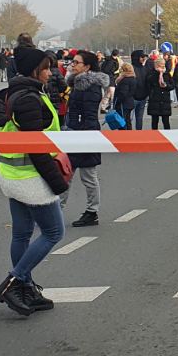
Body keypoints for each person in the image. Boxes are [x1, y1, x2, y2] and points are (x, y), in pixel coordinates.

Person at [0, 46, 70, 317]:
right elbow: (36, 148)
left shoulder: (14, 93)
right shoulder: (28, 99)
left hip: (12, 175)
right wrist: (58, 183)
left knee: (22, 234)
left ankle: (26, 290)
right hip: (31, 178)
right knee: (54, 232)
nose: (50, 72)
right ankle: (13, 283)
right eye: (46, 68)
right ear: (35, 70)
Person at [65, 51, 109, 227]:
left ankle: (92, 212)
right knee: (66, 174)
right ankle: (56, 210)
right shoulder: (77, 84)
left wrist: (84, 137)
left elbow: (89, 115)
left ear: (87, 66)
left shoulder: (90, 87)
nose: (73, 65)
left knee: (88, 176)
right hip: (75, 134)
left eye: (77, 62)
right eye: (73, 61)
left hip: (85, 135)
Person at [144, 53, 175, 130]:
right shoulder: (152, 73)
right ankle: (154, 135)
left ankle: (168, 135)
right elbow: (148, 83)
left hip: (165, 100)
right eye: (160, 65)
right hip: (155, 99)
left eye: (163, 65)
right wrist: (157, 73)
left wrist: (166, 86)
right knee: (154, 121)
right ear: (156, 65)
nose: (162, 66)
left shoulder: (167, 74)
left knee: (166, 121)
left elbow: (172, 85)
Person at [111, 61, 138, 126]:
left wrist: (117, 102)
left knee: (122, 122)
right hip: (130, 102)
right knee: (127, 120)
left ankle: (125, 132)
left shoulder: (125, 80)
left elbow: (123, 93)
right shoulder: (133, 78)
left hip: (123, 104)